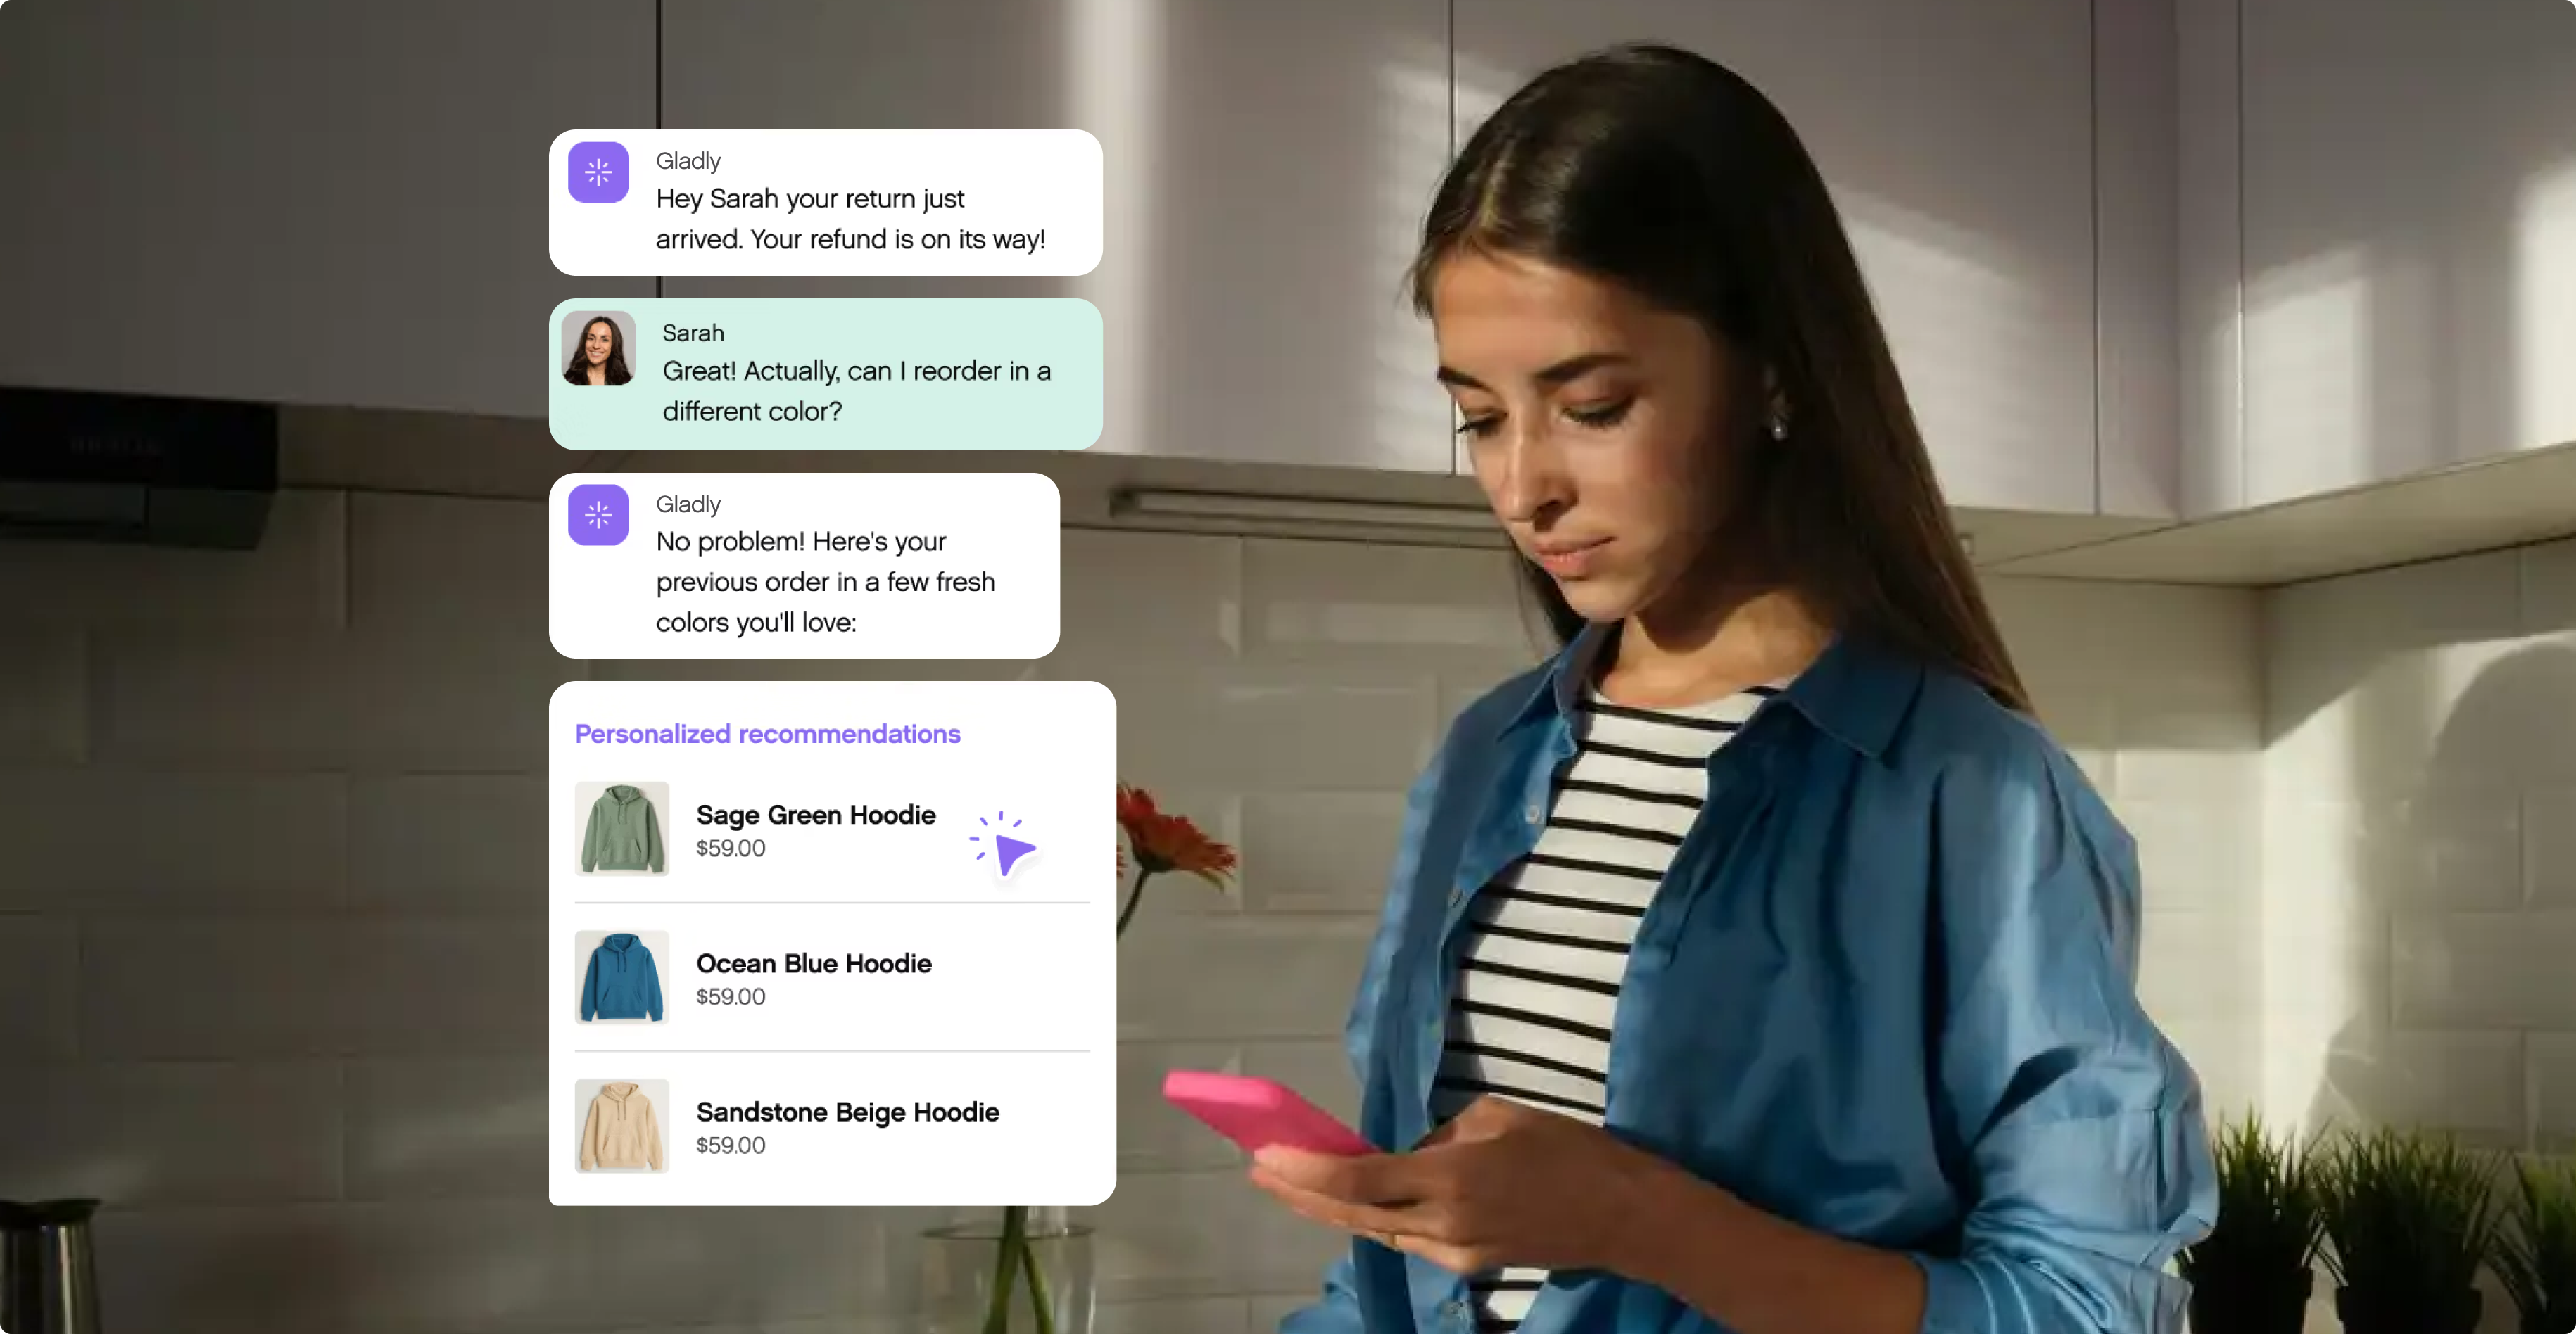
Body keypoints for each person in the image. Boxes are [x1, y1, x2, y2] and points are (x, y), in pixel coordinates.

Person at [1251, 42, 2217, 1334]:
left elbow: (2082, 1304)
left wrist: (1638, 1220)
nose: (1521, 484)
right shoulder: (1489, 754)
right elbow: (1392, 1281)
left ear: (1771, 373)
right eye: (1480, 416)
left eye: (1590, 405)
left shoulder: (1964, 791)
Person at [564, 315, 632, 386]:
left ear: (614, 345)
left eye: (605, 340)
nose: (596, 346)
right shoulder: (567, 381)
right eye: (591, 338)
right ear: (584, 342)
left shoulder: (627, 383)